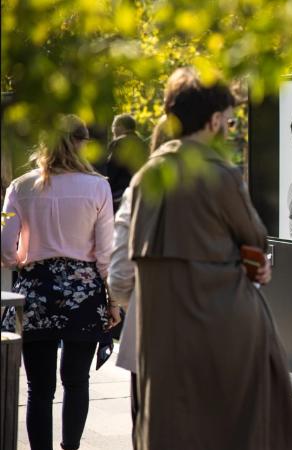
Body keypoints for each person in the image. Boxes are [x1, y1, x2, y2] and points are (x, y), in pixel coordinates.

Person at [129, 69, 292, 449]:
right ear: (213, 121)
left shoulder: (145, 178)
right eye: (227, 119)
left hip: (162, 335)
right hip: (226, 328)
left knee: (170, 424)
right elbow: (255, 241)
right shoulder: (218, 173)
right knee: (240, 425)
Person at [1, 114, 121, 450]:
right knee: (77, 381)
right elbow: (105, 253)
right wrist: (113, 303)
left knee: (38, 388)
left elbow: (4, 248)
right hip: (83, 291)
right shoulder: (98, 186)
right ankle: (71, 447)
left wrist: (22, 259)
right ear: (83, 142)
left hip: (35, 291)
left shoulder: (20, 187)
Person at [108, 115, 175, 430]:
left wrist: (124, 301)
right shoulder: (224, 183)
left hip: (151, 319)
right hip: (210, 330)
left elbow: (120, 273)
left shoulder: (142, 187)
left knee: (149, 421)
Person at [104, 114, 148, 211]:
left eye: (113, 127)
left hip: (120, 196)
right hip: (140, 193)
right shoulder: (144, 144)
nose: (112, 131)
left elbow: (111, 171)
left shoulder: (119, 142)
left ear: (120, 127)